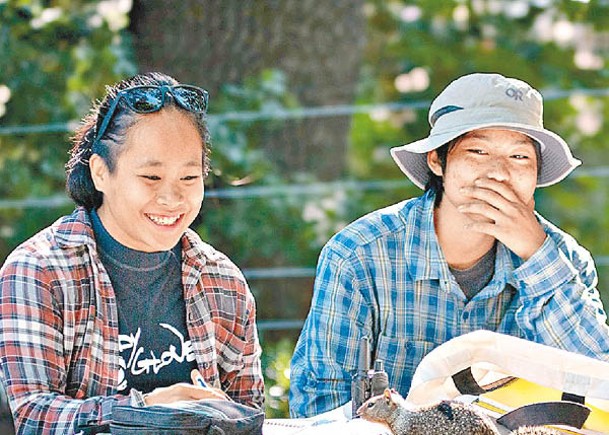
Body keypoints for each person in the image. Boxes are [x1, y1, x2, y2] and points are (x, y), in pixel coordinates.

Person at [289, 72, 609, 418]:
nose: (499, 173)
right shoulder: (359, 254)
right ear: (436, 160)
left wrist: (535, 252)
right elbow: (321, 408)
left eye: (519, 158)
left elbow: (599, 385)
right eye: (478, 151)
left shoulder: (565, 260)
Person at [0, 72, 264, 434]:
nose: (172, 199)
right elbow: (34, 418)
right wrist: (147, 409)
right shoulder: (39, 271)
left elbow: (250, 415)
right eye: (151, 178)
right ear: (100, 173)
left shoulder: (223, 281)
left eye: (189, 178)